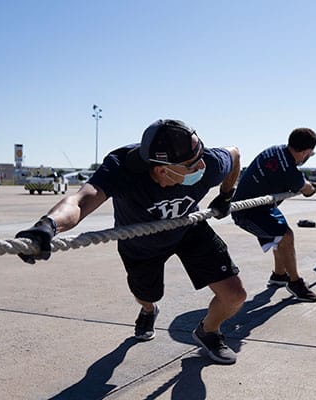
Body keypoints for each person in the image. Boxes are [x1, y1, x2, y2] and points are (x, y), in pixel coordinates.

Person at [15, 119, 246, 365]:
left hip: (189, 228)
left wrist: (226, 194)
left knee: (235, 295)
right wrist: (47, 226)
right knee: (147, 294)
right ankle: (148, 310)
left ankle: (208, 331)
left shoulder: (208, 164)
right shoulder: (122, 169)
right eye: (192, 165)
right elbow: (82, 201)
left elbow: (234, 154)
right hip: (140, 242)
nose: (202, 165)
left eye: (201, 156)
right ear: (162, 170)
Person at [231, 128, 316, 302]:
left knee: (281, 236)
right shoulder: (290, 170)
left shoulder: (276, 150)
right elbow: (307, 190)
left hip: (264, 207)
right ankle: (295, 282)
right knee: (285, 236)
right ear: (307, 152)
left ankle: (279, 275)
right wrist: (311, 186)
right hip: (247, 212)